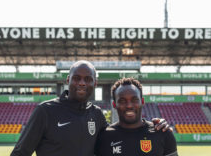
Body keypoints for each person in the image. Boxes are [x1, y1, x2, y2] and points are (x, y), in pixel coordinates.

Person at [11, 60, 170, 156]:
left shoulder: (97, 114)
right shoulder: (45, 111)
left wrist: (153, 125)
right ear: (68, 80)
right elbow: (20, 153)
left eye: (88, 79)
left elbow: (119, 136)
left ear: (95, 83)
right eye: (77, 78)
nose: (82, 83)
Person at [95, 78, 178, 156]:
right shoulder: (104, 137)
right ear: (114, 105)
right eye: (122, 101)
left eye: (134, 100)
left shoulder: (162, 133)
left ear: (142, 102)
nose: (129, 106)